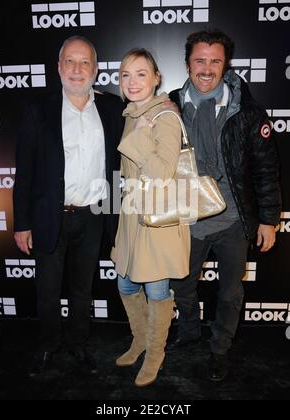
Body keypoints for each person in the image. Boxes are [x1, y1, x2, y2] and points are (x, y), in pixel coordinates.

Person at [168, 30, 282, 382]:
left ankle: (219, 350)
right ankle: (189, 332)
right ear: (187, 64)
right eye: (199, 60)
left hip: (233, 221)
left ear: (225, 64)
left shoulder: (247, 111)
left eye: (215, 61)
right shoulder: (168, 106)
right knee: (182, 285)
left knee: (230, 292)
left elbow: (266, 169)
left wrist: (269, 219)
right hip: (186, 220)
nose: (207, 69)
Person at [13, 35, 124, 377]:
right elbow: (25, 171)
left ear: (95, 68)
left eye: (85, 62)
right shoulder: (38, 110)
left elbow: (118, 167)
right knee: (47, 290)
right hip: (49, 217)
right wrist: (21, 223)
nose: (77, 70)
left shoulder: (112, 108)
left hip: (92, 218)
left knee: (82, 289)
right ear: (59, 67)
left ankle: (78, 343)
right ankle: (48, 344)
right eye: (70, 62)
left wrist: (114, 219)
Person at [111, 49, 191, 387]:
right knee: (126, 282)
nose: (132, 82)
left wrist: (140, 134)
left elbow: (160, 172)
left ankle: (156, 352)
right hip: (132, 218)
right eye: (126, 75)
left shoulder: (165, 117)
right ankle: (140, 340)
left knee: (157, 289)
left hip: (158, 222)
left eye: (141, 74)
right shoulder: (133, 113)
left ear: (156, 77)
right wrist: (138, 128)